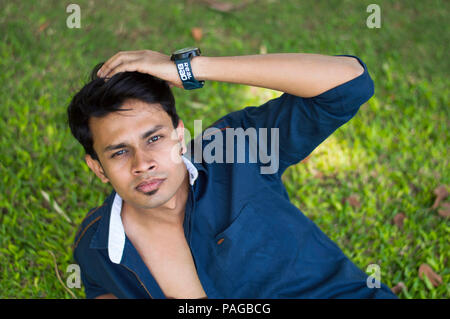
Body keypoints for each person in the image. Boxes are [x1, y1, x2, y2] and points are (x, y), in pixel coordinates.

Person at [67, 48, 398, 299]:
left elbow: (350, 84)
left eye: (154, 138)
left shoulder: (236, 148)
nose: (143, 163)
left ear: (180, 136)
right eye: (120, 152)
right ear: (98, 168)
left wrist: (190, 68)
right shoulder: (98, 248)